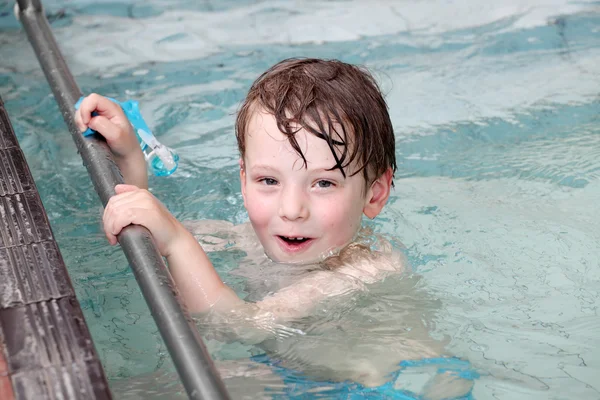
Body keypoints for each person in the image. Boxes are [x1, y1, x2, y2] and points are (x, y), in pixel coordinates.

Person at [76, 58, 475, 398]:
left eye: (323, 183)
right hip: (289, 370)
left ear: (374, 194)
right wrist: (130, 162)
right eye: (269, 181)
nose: (292, 209)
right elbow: (147, 233)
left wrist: (178, 241)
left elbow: (239, 326)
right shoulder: (250, 235)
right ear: (243, 176)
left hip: (360, 387)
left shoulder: (362, 270)